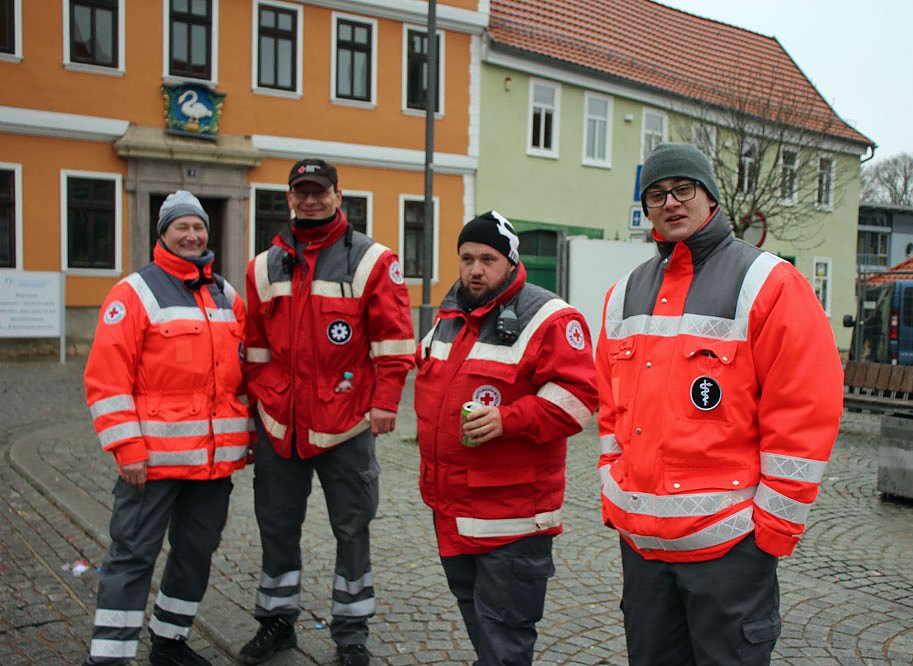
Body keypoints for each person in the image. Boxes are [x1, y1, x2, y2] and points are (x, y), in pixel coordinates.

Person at [595, 143, 843, 665]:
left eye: (683, 189)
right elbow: (610, 408)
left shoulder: (769, 283)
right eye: (656, 194)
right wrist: (614, 488)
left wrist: (771, 530)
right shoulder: (623, 294)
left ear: (710, 196)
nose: (670, 202)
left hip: (731, 549)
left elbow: (803, 410)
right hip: (643, 550)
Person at [239, 159, 415, 666]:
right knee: (276, 527)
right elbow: (254, 349)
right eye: (301, 192)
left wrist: (385, 402)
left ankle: (351, 633)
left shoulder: (372, 261)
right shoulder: (263, 266)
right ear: (290, 198)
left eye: (319, 191)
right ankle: (275, 622)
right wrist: (260, 406)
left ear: (339, 196)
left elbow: (394, 340)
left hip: (346, 424)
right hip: (282, 425)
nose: (310, 200)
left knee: (352, 530)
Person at [414, 211, 599, 666]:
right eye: (467, 259)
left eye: (488, 259)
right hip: (452, 508)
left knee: (504, 635)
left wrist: (508, 419)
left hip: (512, 519)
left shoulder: (550, 317)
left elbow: (581, 399)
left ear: (511, 262)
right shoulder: (450, 315)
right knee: (482, 626)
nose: (475, 270)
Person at [82, 190, 251, 666]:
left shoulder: (226, 295)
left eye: (198, 227)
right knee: (133, 555)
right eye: (182, 227)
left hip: (213, 464)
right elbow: (106, 380)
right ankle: (109, 656)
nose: (192, 236)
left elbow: (242, 378)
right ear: (163, 234)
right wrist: (127, 449)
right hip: (152, 464)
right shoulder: (133, 293)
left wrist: (249, 437)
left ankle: (169, 641)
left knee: (196, 552)